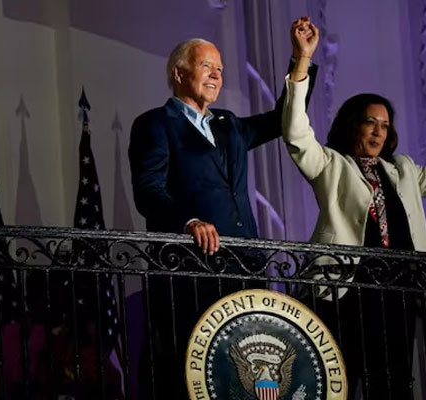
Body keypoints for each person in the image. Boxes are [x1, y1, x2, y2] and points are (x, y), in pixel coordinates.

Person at [284, 23, 426, 399]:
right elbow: (297, 134)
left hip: (399, 294)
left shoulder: (404, 171)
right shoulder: (331, 166)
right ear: (354, 126)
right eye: (370, 122)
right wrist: (303, 60)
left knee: (395, 385)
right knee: (339, 384)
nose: (379, 132)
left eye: (385, 125)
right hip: (345, 293)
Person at [129, 18, 319, 398]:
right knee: (196, 372)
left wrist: (300, 60)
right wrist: (189, 221)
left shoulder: (229, 125)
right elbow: (148, 191)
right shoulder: (155, 124)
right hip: (190, 268)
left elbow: (282, 120)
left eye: (220, 69)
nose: (216, 75)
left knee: (242, 371)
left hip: (245, 265)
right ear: (179, 72)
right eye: (207, 67)